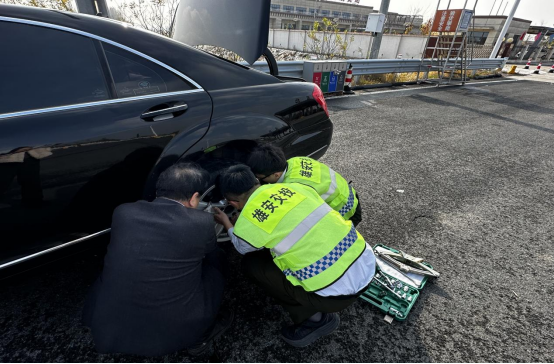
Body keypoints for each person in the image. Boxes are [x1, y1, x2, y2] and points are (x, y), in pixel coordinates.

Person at [214, 165, 375, 347]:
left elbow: (241, 247)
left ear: (232, 203)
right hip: (367, 263)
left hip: (335, 298)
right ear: (256, 181)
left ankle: (315, 320)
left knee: (252, 265)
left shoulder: (246, 223)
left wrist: (227, 223)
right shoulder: (296, 187)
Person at [83, 162, 231, 357]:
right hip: (172, 336)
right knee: (217, 263)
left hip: (105, 327)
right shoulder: (201, 222)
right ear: (195, 198)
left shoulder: (124, 212)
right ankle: (199, 339)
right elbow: (210, 255)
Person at [246, 144, 363, 226]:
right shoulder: (295, 160)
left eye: (261, 178)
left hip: (346, 212)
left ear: (276, 175)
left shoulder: (293, 188)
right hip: (350, 194)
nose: (261, 180)